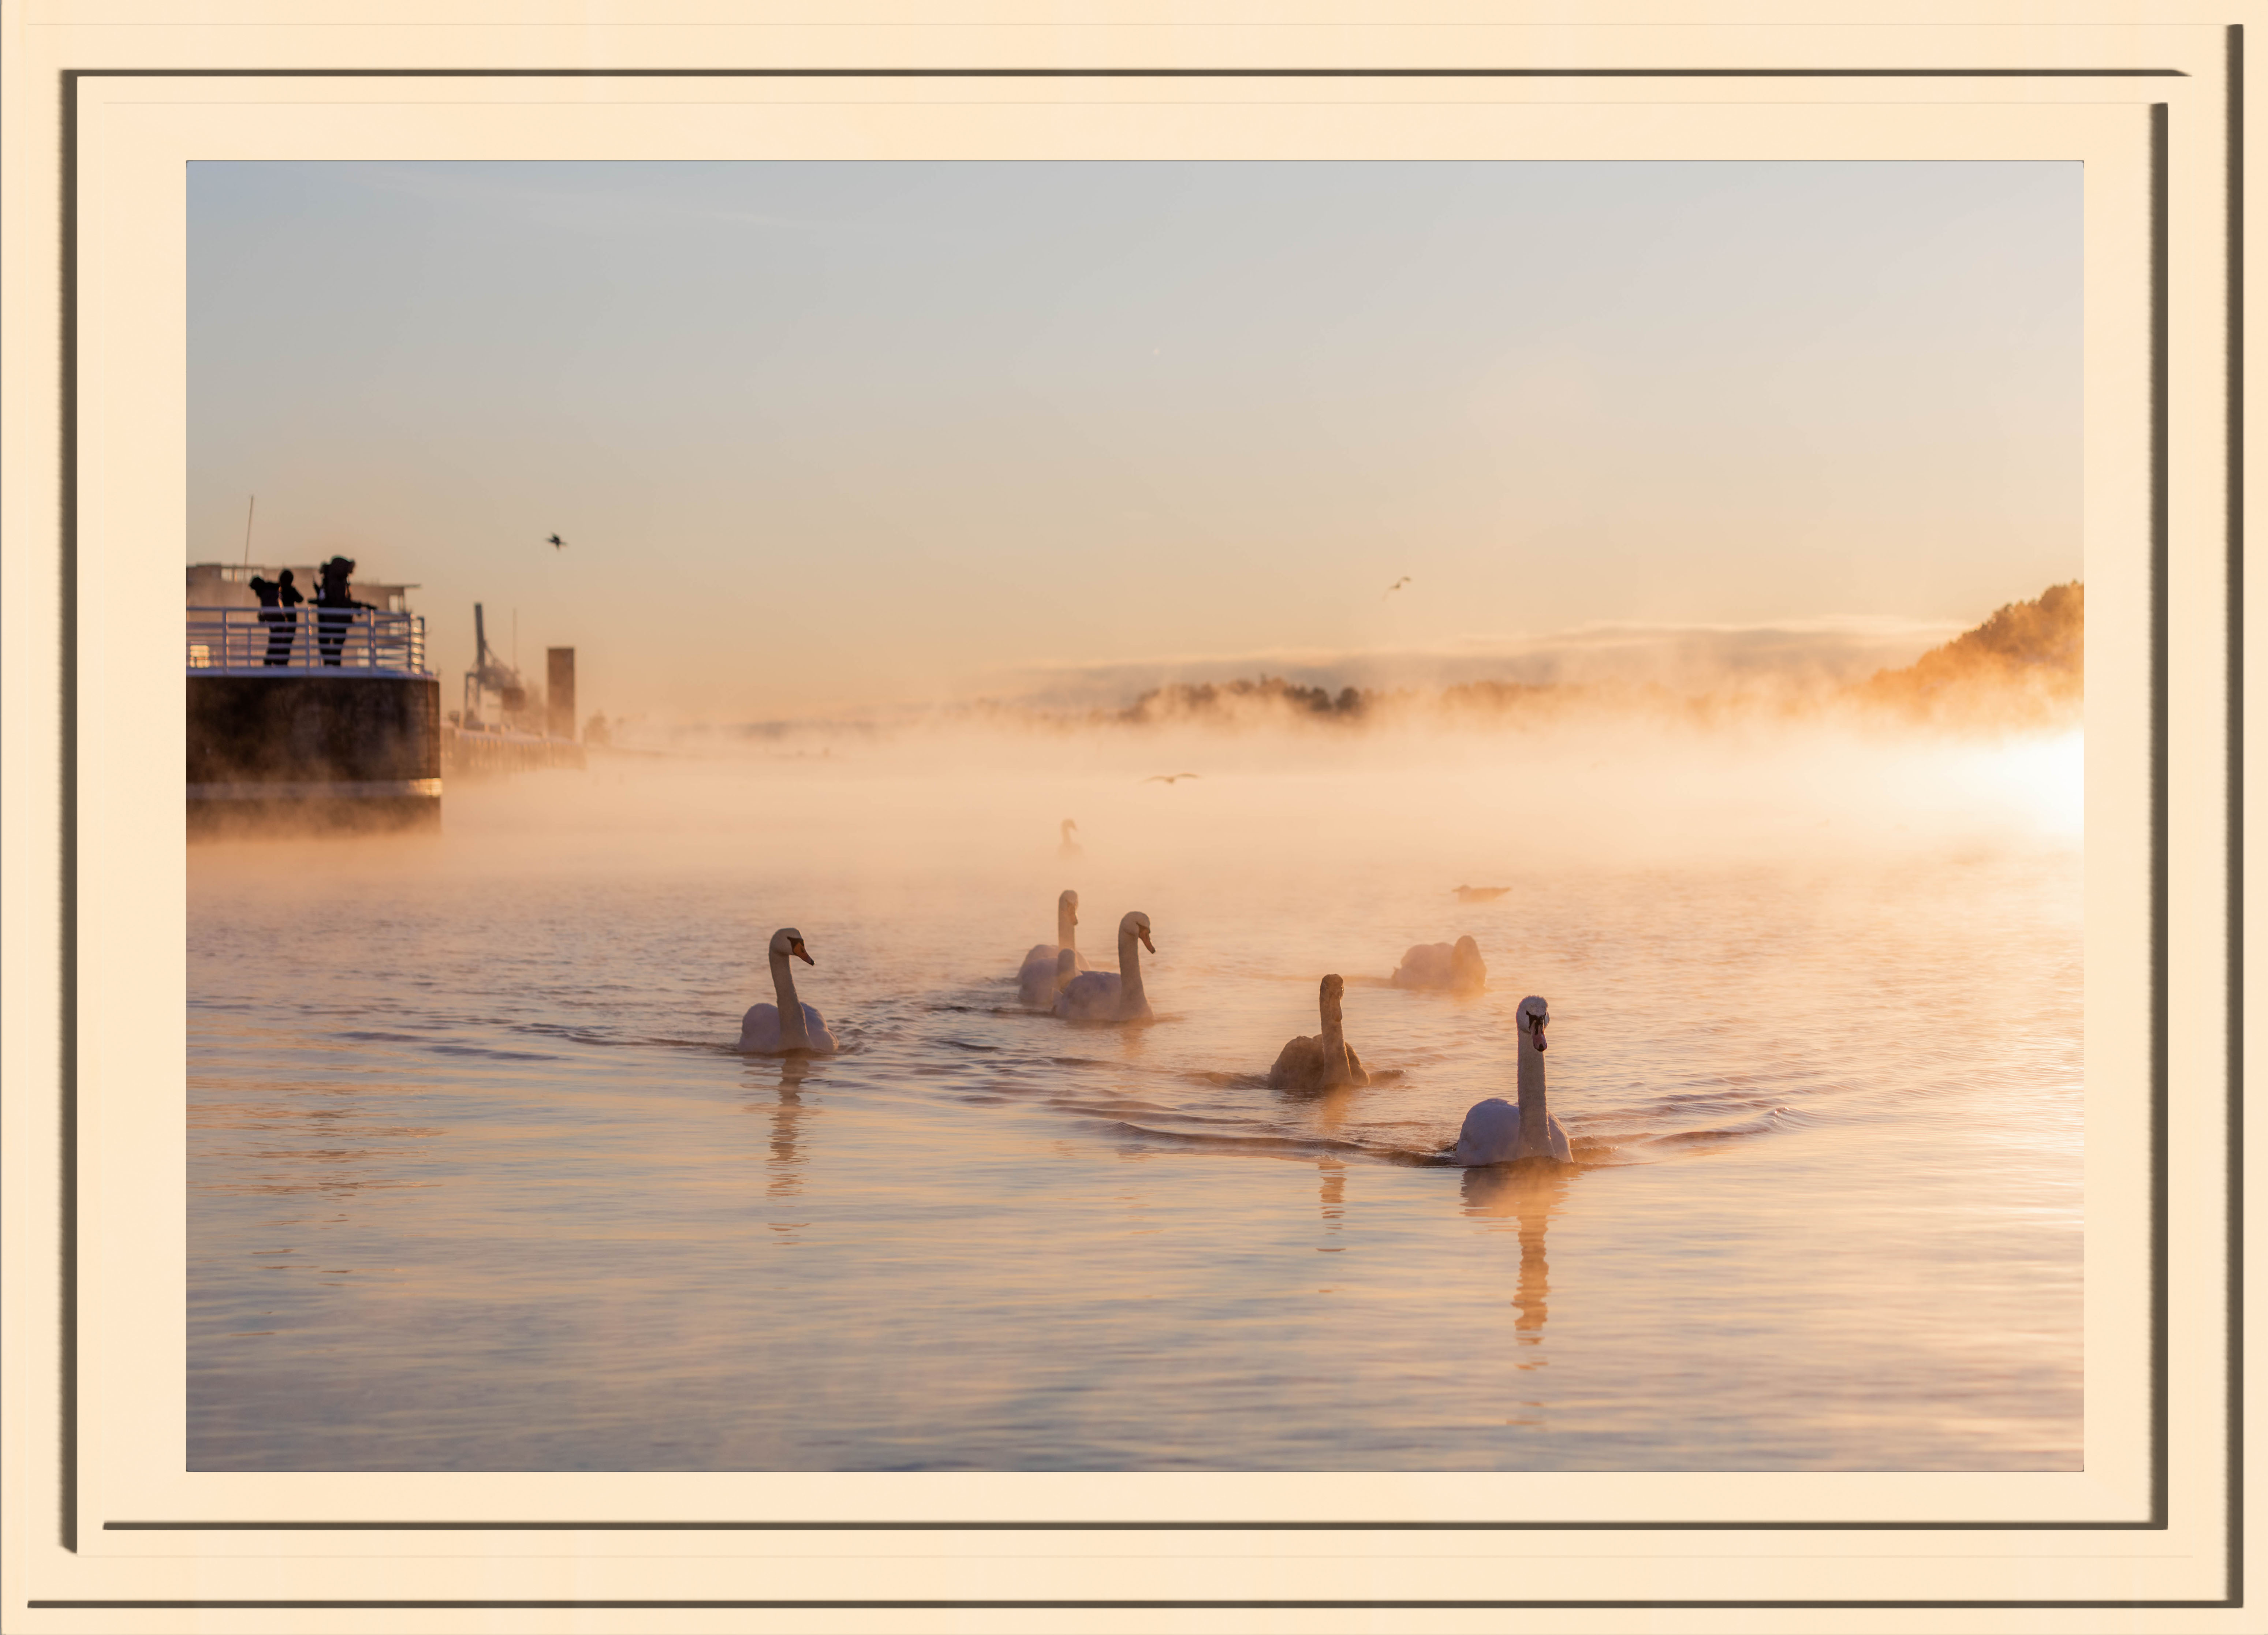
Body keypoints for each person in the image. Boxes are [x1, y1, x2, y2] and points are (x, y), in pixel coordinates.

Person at [312, 557, 372, 667]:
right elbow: (341, 601)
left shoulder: (332, 580)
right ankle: (334, 667)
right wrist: (358, 605)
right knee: (335, 646)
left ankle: (331, 666)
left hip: (331, 619)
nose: (351, 573)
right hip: (336, 620)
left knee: (331, 645)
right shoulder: (338, 582)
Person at [246, 568, 304, 666]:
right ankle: (278, 665)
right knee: (281, 645)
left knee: (277, 644)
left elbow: (271, 608)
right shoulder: (275, 590)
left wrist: (264, 617)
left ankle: (273, 665)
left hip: (281, 623)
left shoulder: (269, 592)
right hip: (285, 622)